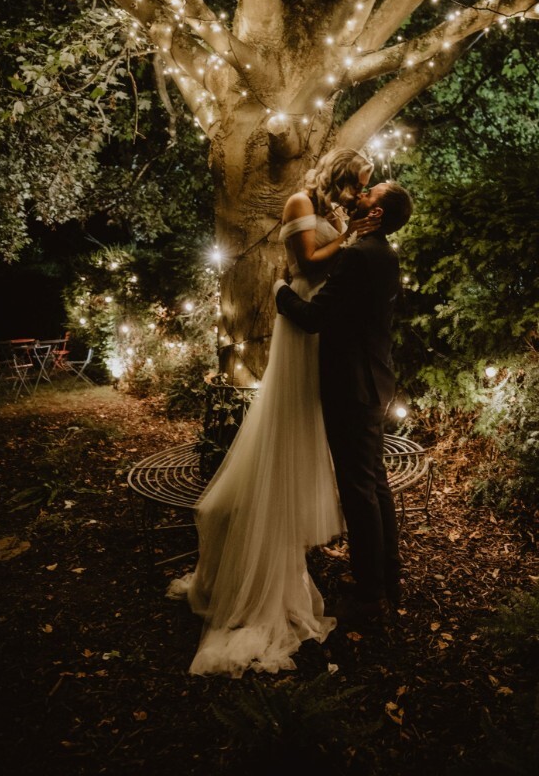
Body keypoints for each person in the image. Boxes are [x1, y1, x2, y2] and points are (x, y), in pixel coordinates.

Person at [167, 148, 379, 677]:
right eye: (357, 182)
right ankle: (261, 572)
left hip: (318, 327)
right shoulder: (299, 202)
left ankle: (285, 553)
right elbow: (305, 263)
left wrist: (349, 231)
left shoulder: (333, 213)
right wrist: (350, 240)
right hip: (301, 326)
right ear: (339, 175)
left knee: (309, 432)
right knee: (286, 431)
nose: (357, 193)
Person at [275, 180, 414, 623]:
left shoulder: (357, 256)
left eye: (372, 192)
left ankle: (370, 596)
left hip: (351, 388)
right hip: (376, 382)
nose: (364, 191)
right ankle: (389, 578)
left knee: (359, 491)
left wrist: (279, 293)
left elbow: (315, 318)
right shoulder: (386, 254)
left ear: (376, 214)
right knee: (374, 484)